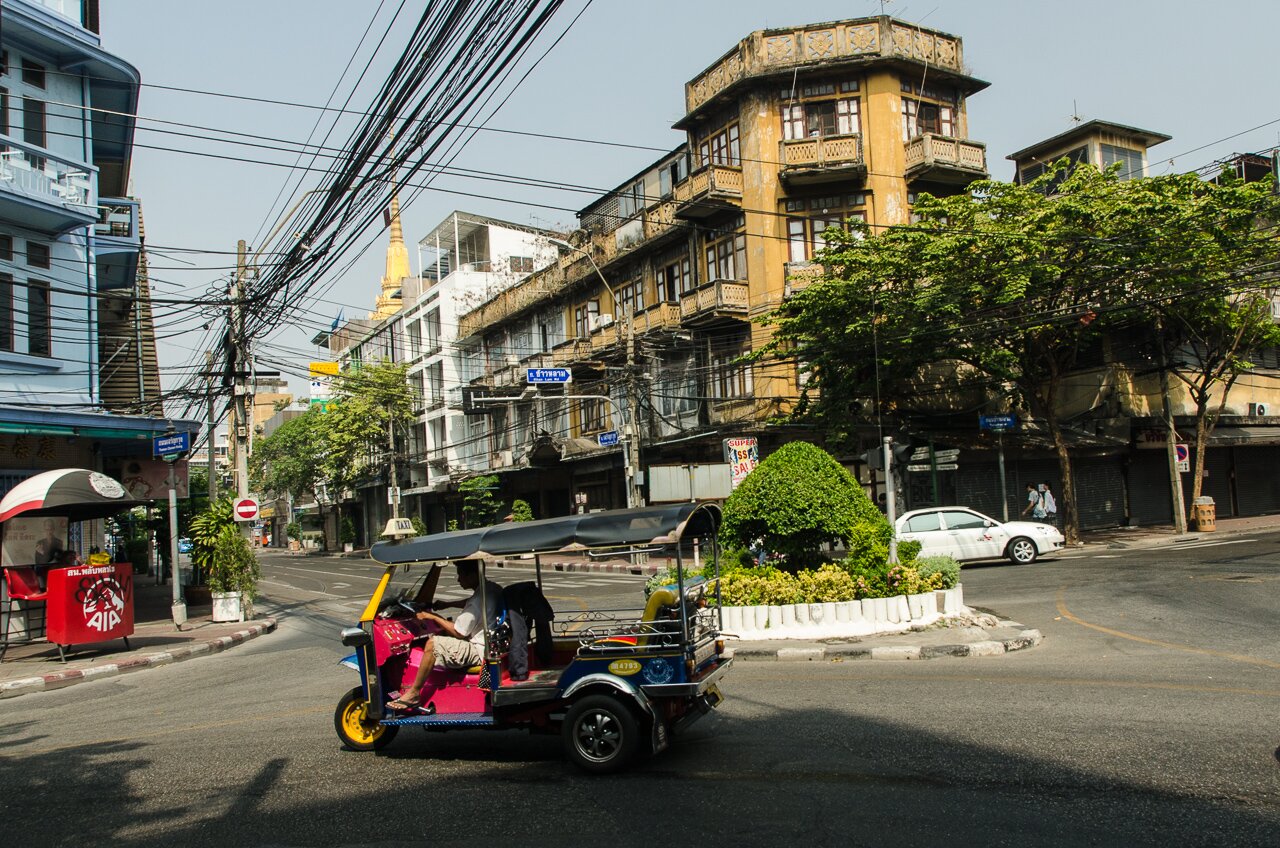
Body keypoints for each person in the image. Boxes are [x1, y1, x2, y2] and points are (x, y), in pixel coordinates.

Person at [387, 559, 500, 711]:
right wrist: (448, 604)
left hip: (479, 650)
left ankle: (413, 693)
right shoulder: (491, 588)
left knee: (433, 644)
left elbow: (459, 632)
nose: (458, 579)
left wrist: (432, 617)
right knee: (443, 632)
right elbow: (472, 601)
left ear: (473, 575)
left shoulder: (477, 601)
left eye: (461, 575)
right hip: (491, 644)